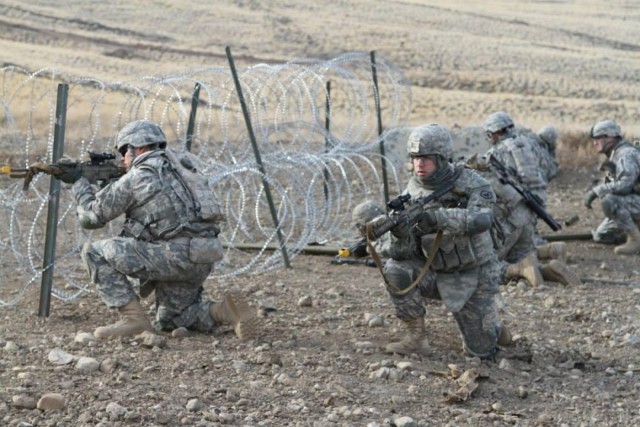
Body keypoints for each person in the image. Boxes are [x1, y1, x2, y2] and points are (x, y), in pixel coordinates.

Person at [58, 119, 256, 339]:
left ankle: (133, 321)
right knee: (173, 320)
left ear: (138, 148)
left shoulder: (138, 176)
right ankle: (225, 310)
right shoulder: (186, 169)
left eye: (125, 151)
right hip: (204, 256)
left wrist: (78, 182)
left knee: (94, 252)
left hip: (173, 257)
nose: (123, 159)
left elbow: (91, 218)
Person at [359, 123, 511, 359]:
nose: (419, 164)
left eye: (426, 158)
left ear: (441, 158)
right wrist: (400, 233)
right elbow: (404, 252)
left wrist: (435, 218)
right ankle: (416, 339)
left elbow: (482, 219)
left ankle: (493, 329)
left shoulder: (472, 182)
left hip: (474, 275)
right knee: (395, 269)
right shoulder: (412, 191)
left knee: (480, 352)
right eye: (415, 158)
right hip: (436, 271)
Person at [584, 120, 640, 255]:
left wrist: (596, 191)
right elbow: (612, 183)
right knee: (602, 236)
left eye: (598, 138)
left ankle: (635, 240)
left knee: (610, 201)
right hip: (635, 201)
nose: (594, 142)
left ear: (610, 137)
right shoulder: (614, 155)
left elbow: (625, 185)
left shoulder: (626, 154)